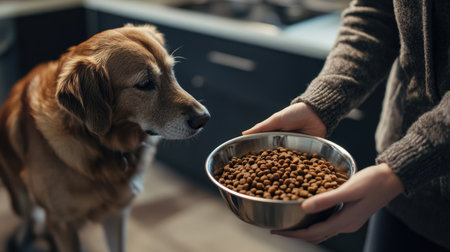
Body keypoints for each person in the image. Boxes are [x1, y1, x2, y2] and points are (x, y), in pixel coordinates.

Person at [242, 0, 450, 251]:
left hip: (398, 172)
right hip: (398, 190)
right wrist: (322, 103)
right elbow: (375, 13)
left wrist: (406, 163)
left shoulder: (397, 171)